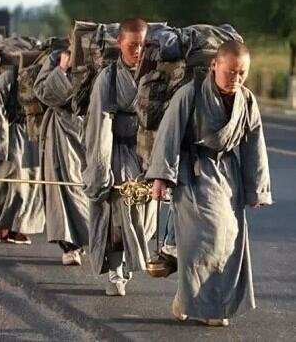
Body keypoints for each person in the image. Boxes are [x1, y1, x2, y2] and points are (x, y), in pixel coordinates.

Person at [146, 40, 272, 326]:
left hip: (229, 175)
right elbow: (169, 135)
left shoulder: (247, 100)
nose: (236, 79)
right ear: (214, 65)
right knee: (202, 244)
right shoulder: (189, 94)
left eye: (242, 73)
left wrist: (256, 189)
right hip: (194, 174)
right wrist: (161, 178)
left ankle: (205, 304)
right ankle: (199, 304)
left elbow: (255, 144)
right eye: (231, 72)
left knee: (229, 243)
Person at [83, 18, 157, 296]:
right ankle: (116, 269)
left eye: (143, 45)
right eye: (132, 45)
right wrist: (101, 170)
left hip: (147, 153)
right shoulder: (109, 78)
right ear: (119, 44)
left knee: (145, 217)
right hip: (116, 150)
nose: (138, 50)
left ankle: (128, 260)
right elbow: (99, 125)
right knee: (118, 210)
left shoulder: (156, 75)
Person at [34, 44, 89, 266]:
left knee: (86, 188)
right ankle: (70, 245)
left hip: (90, 131)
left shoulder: (99, 59)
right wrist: (62, 70)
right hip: (60, 132)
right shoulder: (57, 58)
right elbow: (43, 92)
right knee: (63, 187)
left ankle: (88, 238)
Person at [0, 68, 45, 244]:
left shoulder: (44, 71)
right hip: (13, 132)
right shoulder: (9, 75)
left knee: (32, 184)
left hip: (34, 132)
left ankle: (19, 227)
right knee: (10, 182)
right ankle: (2, 226)